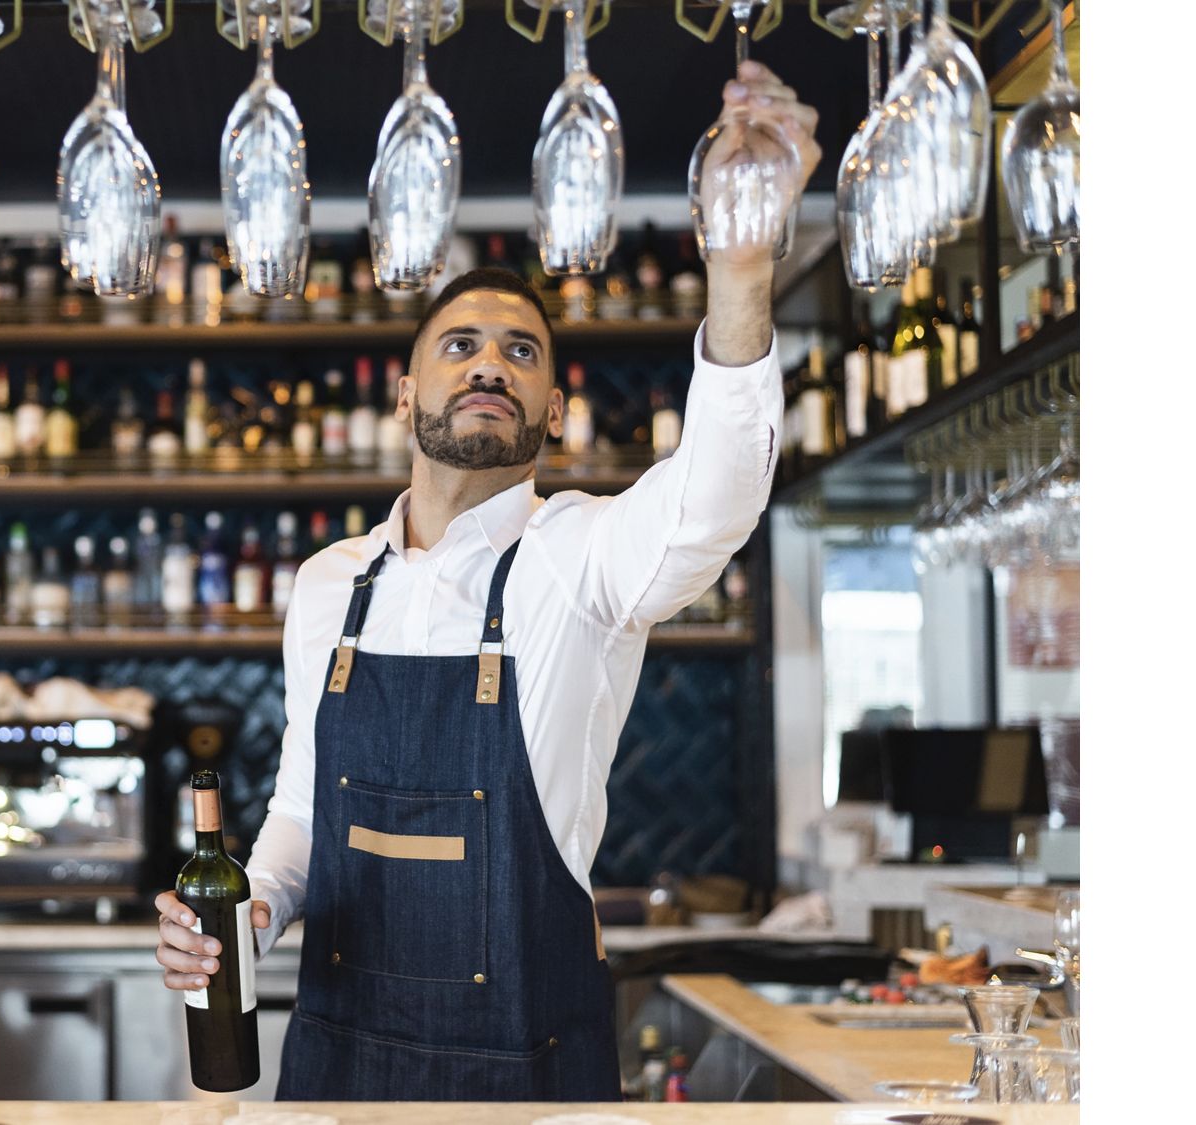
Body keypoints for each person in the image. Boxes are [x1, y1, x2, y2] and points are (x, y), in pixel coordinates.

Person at [155, 61, 823, 1101]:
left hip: (526, 1077)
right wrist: (256, 910)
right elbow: (297, 813)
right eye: (459, 345)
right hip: (338, 1072)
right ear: (404, 390)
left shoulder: (579, 559)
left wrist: (738, 273)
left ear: (552, 414)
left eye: (521, 353)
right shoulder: (329, 584)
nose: (488, 365)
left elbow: (715, 496)